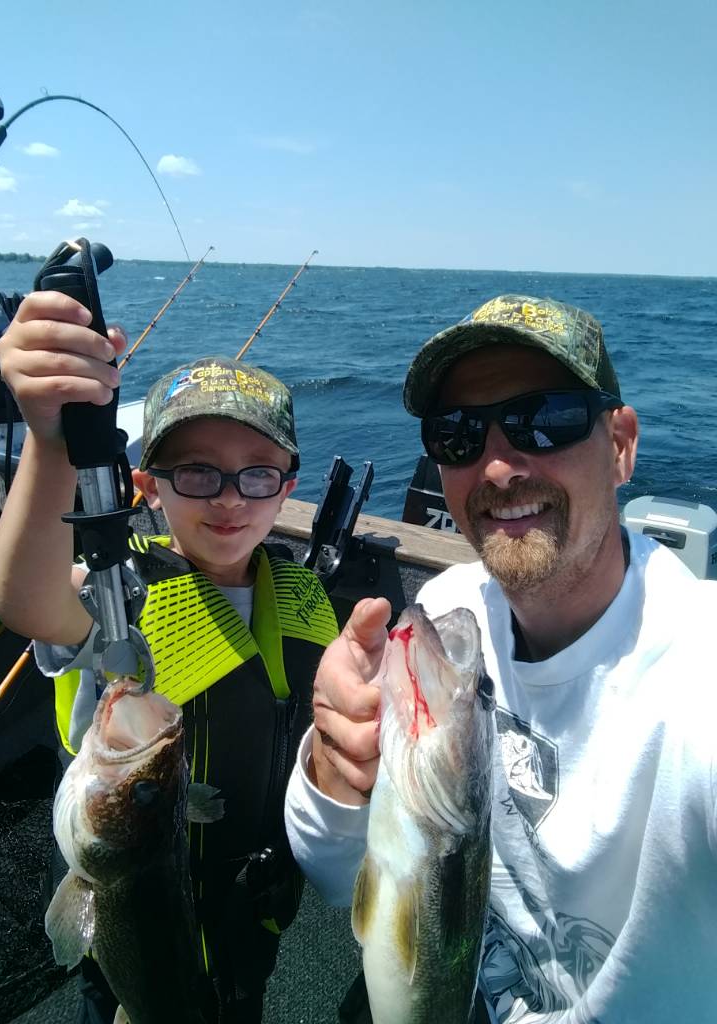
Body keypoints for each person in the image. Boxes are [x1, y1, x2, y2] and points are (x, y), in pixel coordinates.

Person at [284, 295, 717, 1023]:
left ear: (621, 446)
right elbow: (335, 877)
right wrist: (336, 761)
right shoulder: (446, 617)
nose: (496, 466)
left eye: (544, 419)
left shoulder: (696, 674)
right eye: (456, 434)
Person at [0, 290, 339, 1023]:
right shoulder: (118, 597)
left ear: (286, 488)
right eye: (197, 472)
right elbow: (26, 599)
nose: (229, 499)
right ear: (147, 487)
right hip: (131, 929)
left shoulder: (304, 596)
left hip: (251, 917)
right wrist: (51, 440)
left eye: (257, 474)